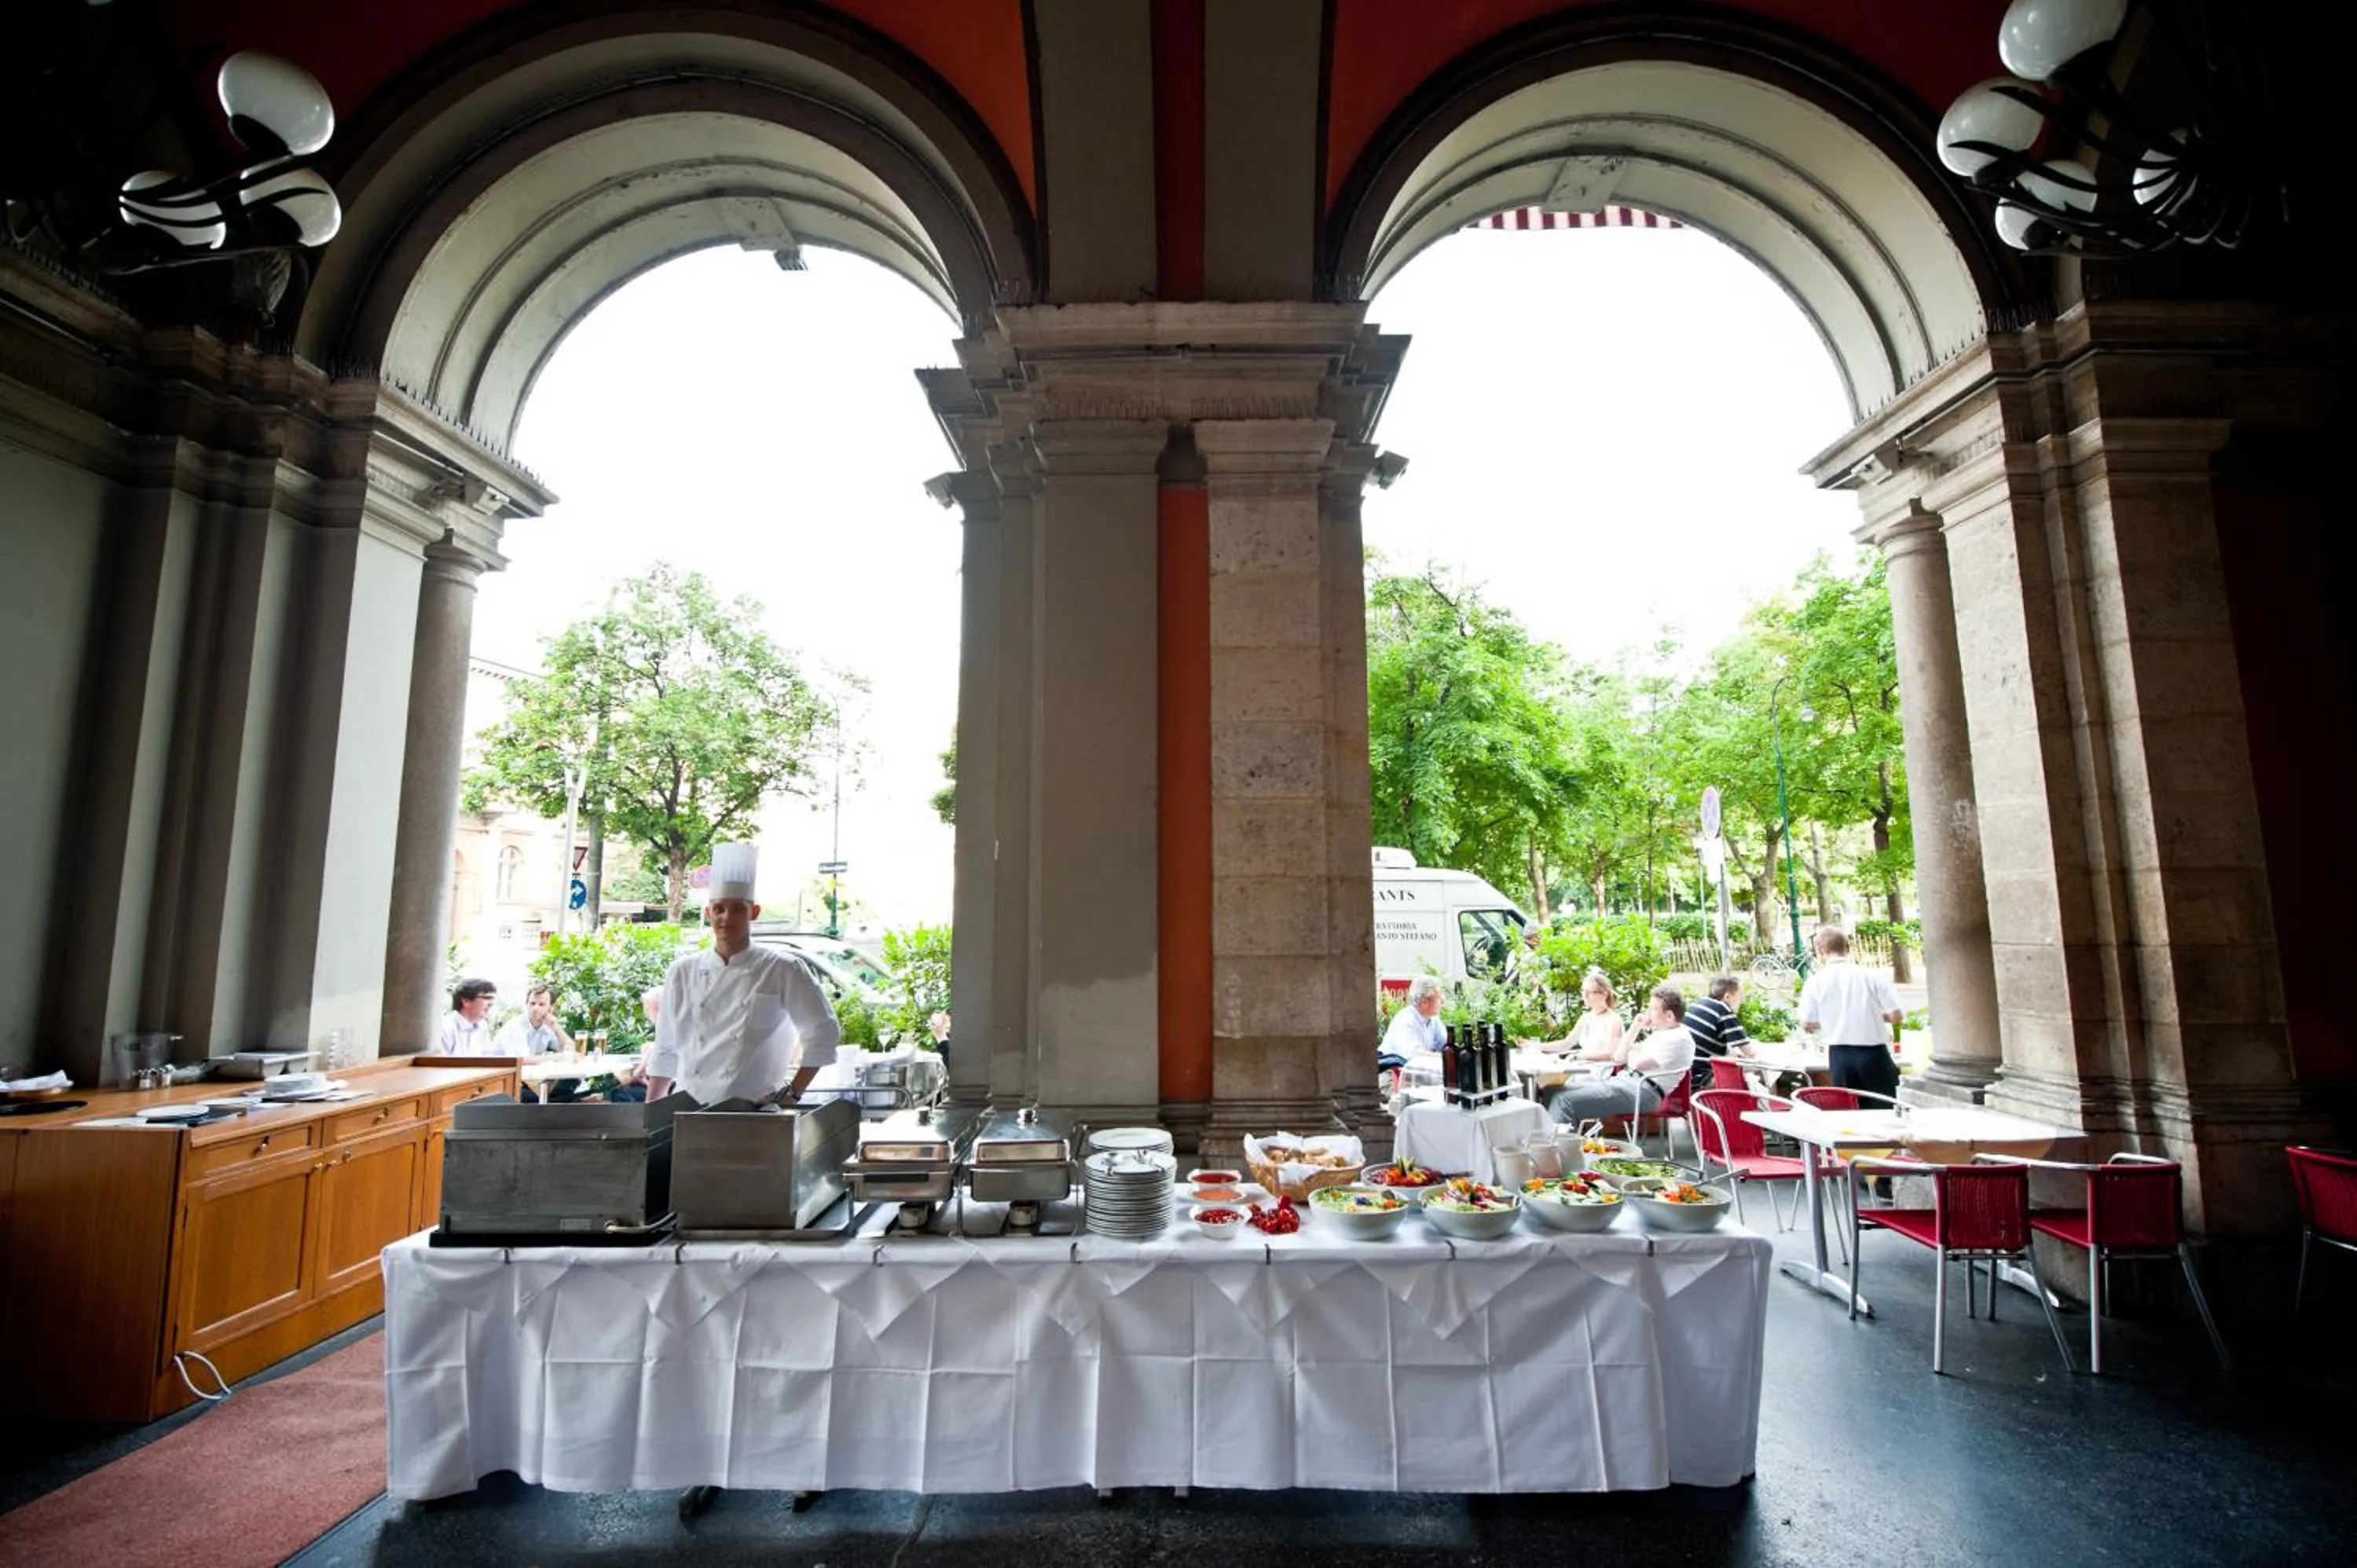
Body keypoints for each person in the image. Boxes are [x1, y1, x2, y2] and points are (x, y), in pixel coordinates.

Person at [643, 844, 841, 1106]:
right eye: (719, 908)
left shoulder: (782, 968)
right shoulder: (683, 971)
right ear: (708, 913)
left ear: (754, 913)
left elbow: (823, 1032)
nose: (727, 917)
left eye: (738, 908)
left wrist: (793, 1092)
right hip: (687, 1111)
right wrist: (651, 1116)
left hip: (753, 1113)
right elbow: (666, 1050)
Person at [1549, 984, 1696, 1127]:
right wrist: (1636, 1026)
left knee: (1564, 1100)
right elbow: (1619, 1057)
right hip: (1627, 1084)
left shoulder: (1678, 1038)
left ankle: (1555, 1149)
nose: (1648, 1013)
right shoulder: (1661, 1035)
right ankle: (1564, 1145)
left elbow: (1637, 1064)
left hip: (1643, 1092)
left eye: (1652, 1009)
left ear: (1669, 1015)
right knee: (1556, 1090)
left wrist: (1633, 1052)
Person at [1797, 926, 1904, 1100]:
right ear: (1848, 948)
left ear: (1820, 951)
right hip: (1874, 1054)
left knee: (1849, 1109)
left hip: (1840, 1056)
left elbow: (1806, 1023)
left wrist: (1832, 1020)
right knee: (1886, 1106)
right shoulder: (1873, 977)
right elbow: (1896, 1016)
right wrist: (1872, 1016)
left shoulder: (1815, 982)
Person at [1684, 975, 1752, 1087]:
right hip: (1701, 1077)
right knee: (1758, 1069)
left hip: (1684, 1073)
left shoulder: (1698, 1003)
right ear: (1728, 997)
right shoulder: (1724, 1011)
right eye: (1741, 997)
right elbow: (1750, 1053)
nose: (1742, 1001)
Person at [1542, 969, 1626, 1061]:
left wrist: (1579, 1057)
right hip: (1584, 1067)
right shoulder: (1586, 1018)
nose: (1584, 996)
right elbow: (1566, 1044)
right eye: (1583, 991)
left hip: (1602, 1071)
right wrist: (1533, 1046)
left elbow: (1609, 1054)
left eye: (1589, 992)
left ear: (1604, 995)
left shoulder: (1614, 1020)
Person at [1380, 976, 1447, 1072]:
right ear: (1424, 1002)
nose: (1443, 1002)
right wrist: (1439, 1056)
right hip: (1391, 1075)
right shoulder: (1405, 1021)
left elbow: (1445, 1044)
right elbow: (1415, 1058)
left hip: (1414, 1074)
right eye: (1439, 999)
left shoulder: (1433, 1019)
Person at [434, 978, 497, 1054]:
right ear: (466, 1001)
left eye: (493, 999)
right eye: (487, 998)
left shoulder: (482, 1026)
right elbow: (439, 1064)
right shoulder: (445, 1028)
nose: (492, 1003)